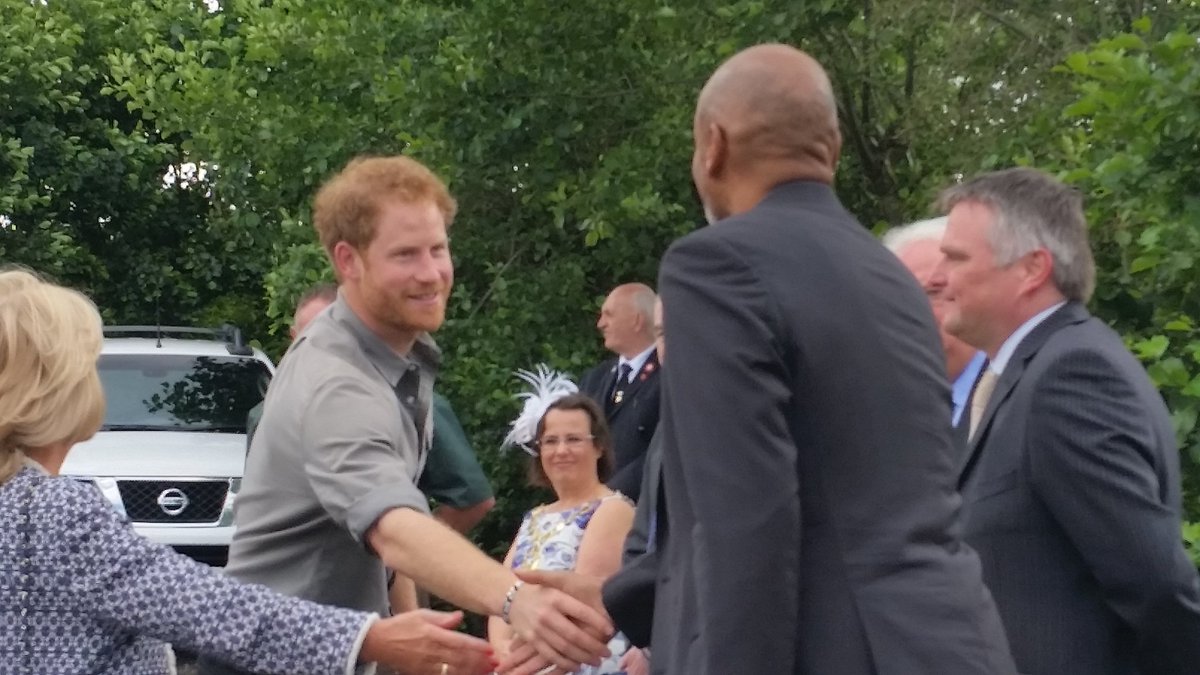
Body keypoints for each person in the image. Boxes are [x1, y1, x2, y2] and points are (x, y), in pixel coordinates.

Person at [503, 43, 1016, 675]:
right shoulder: (891, 278)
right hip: (946, 639)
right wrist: (621, 599)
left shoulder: (717, 263)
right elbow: (852, 495)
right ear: (831, 149)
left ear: (713, 145)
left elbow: (746, 517)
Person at [199, 156, 611, 675]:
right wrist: (517, 601)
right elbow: (392, 528)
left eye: (438, 249)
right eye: (405, 255)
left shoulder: (394, 356)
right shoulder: (337, 381)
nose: (431, 273)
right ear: (348, 261)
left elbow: (389, 548)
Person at [0, 267, 494, 675]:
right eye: (90, 366)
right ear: (57, 389)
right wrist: (370, 638)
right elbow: (213, 611)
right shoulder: (49, 512)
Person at [931, 167, 1200, 675]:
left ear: (1032, 269)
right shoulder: (1010, 377)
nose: (936, 276)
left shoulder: (1070, 376)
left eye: (956, 257)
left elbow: (1156, 585)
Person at [248, 283, 496, 534]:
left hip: (368, 566)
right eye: (309, 336)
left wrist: (410, 561)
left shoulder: (411, 404)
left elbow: (472, 499)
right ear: (293, 338)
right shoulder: (265, 414)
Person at [488, 392, 636, 674]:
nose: (561, 451)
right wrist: (502, 651)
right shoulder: (535, 516)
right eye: (551, 441)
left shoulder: (612, 509)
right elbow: (502, 591)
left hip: (575, 660)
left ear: (599, 447)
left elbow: (586, 602)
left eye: (574, 439)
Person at [883, 217, 987, 434]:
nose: (914, 312)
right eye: (899, 298)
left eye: (934, 293)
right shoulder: (883, 406)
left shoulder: (1015, 392)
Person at [579, 283, 661, 497]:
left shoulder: (668, 376)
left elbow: (663, 449)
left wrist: (612, 493)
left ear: (637, 320)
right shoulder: (596, 379)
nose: (601, 324)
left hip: (644, 507)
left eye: (609, 315)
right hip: (592, 506)